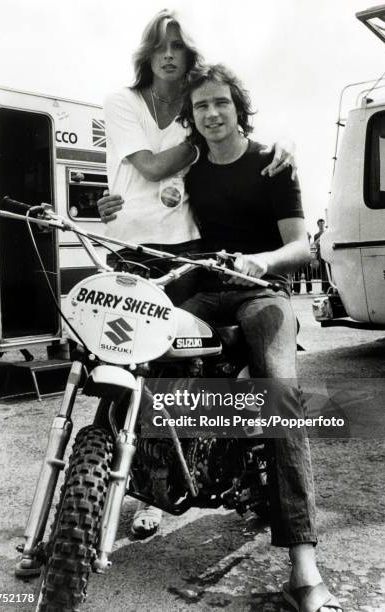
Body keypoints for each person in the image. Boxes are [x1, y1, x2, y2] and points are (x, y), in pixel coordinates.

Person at [97, 9, 297, 539]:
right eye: (159, 46)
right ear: (147, 53)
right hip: (134, 250)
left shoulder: (198, 115)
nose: (169, 54)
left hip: (190, 253)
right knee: (132, 376)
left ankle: (174, 492)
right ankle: (122, 487)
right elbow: (152, 168)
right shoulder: (125, 103)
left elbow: (245, 162)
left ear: (189, 57)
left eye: (179, 48)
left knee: (194, 374)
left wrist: (273, 144)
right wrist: (213, 133)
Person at [176, 64, 342, 612]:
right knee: (152, 361)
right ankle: (153, 491)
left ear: (237, 107)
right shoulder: (190, 169)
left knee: (280, 402)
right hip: (205, 291)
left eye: (220, 102)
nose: (212, 113)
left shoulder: (274, 163)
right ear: (191, 116)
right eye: (201, 106)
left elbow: (300, 246)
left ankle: (303, 568)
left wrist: (260, 260)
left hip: (262, 293)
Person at [313, 218, 330, 293]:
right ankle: (324, 289)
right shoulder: (316, 235)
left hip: (327, 253)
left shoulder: (328, 233)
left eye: (323, 223)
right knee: (322, 272)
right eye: (320, 224)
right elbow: (315, 245)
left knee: (328, 271)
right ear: (318, 225)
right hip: (320, 253)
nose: (322, 225)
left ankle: (329, 288)